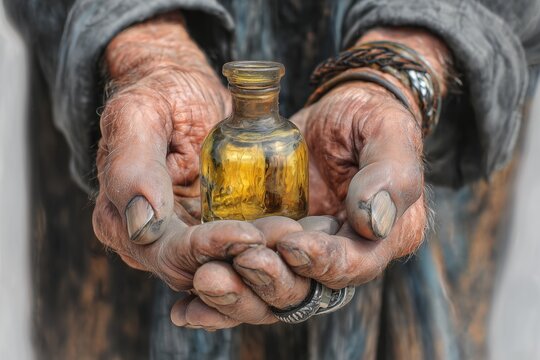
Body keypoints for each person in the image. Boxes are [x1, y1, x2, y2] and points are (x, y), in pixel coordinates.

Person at [5, 0, 540, 359]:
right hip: (136, 126)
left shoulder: (276, 142)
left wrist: (402, 67)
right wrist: (145, 51)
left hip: (429, 122)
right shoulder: (218, 142)